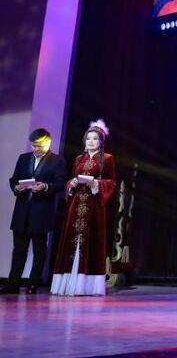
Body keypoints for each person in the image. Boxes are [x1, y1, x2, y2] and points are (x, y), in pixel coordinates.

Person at [50, 121, 117, 296]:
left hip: (94, 205)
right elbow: (71, 179)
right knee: (71, 240)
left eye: (95, 139)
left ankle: (86, 285)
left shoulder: (107, 159)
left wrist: (96, 183)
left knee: (91, 240)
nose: (91, 141)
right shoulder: (79, 159)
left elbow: (111, 183)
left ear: (101, 142)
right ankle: (67, 283)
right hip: (76, 203)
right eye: (88, 138)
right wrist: (71, 184)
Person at [3, 129, 68, 295]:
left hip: (41, 211)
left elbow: (60, 183)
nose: (36, 149)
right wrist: (16, 187)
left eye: (40, 145)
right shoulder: (23, 158)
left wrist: (45, 186)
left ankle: (33, 284)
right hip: (22, 211)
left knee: (39, 250)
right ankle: (12, 284)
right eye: (33, 145)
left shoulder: (57, 160)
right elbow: (14, 179)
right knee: (19, 250)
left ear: (48, 143)